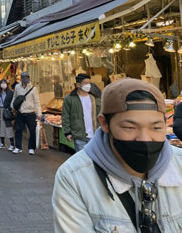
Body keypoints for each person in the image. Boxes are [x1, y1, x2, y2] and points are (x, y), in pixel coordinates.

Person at [52, 78, 182, 233]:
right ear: (104, 123)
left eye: (156, 127)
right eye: (129, 127)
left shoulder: (179, 164)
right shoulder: (74, 177)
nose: (145, 138)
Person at [62, 73, 101, 152]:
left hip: (94, 134)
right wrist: (67, 132)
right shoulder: (69, 99)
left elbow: (101, 114)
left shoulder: (94, 98)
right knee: (82, 160)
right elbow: (65, 116)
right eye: (86, 83)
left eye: (89, 83)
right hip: (79, 135)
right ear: (78, 85)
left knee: (93, 160)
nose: (88, 85)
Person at [12, 72, 41, 155]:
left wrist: (39, 113)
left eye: (27, 77)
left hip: (30, 113)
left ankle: (31, 148)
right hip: (20, 112)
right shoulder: (17, 87)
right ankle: (18, 147)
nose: (26, 79)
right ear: (21, 78)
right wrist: (12, 107)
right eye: (24, 77)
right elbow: (14, 97)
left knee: (32, 130)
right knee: (18, 130)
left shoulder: (33, 88)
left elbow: (37, 101)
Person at [0, 79, 15, 150]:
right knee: (0, 127)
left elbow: (12, 102)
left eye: (4, 82)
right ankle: (2, 143)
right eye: (1, 83)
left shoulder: (10, 93)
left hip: (7, 111)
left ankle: (12, 144)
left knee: (8, 127)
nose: (3, 84)